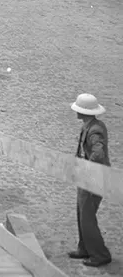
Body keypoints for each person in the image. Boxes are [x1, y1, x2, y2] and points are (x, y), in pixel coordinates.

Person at [69, 93, 112, 267]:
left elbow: (98, 153)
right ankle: (85, 247)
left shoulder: (94, 130)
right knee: (82, 212)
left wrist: (86, 167)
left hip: (93, 176)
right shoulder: (91, 125)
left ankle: (100, 254)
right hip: (87, 175)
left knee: (87, 216)